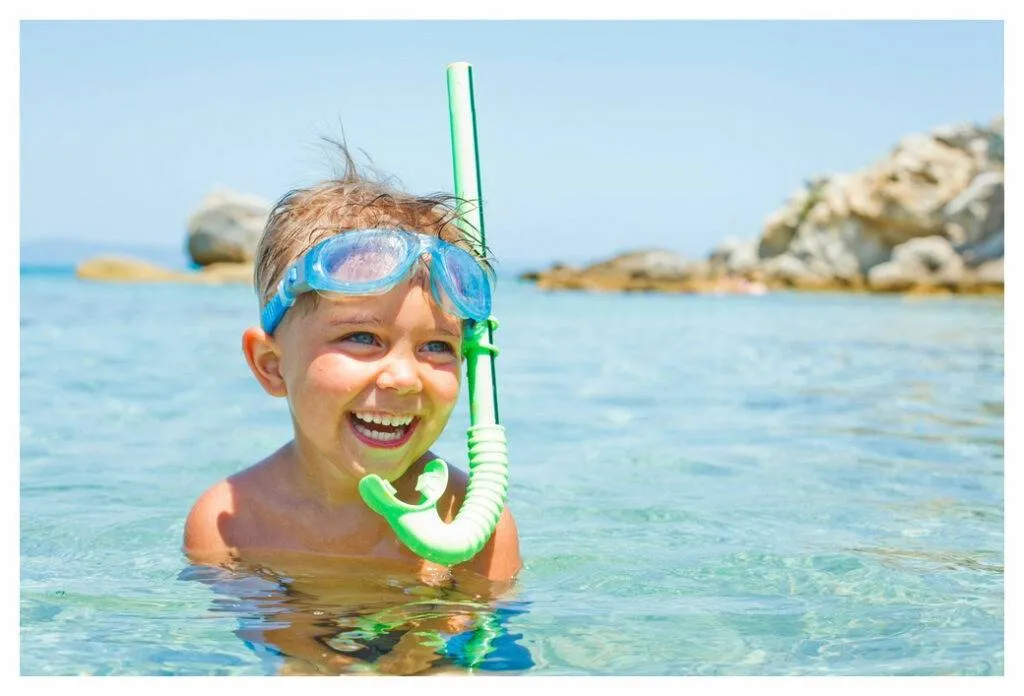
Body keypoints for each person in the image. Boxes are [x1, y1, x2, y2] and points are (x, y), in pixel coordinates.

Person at [182, 146, 523, 674]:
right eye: (363, 337)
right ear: (272, 366)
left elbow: (488, 645)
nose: (404, 377)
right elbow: (264, 640)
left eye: (438, 347)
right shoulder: (230, 523)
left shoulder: (474, 522)